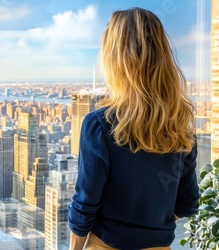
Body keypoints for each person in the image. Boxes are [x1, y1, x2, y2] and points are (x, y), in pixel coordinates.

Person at [68, 7, 199, 250]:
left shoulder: (99, 125)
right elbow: (188, 202)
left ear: (116, 61)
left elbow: (84, 206)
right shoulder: (181, 126)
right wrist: (149, 230)